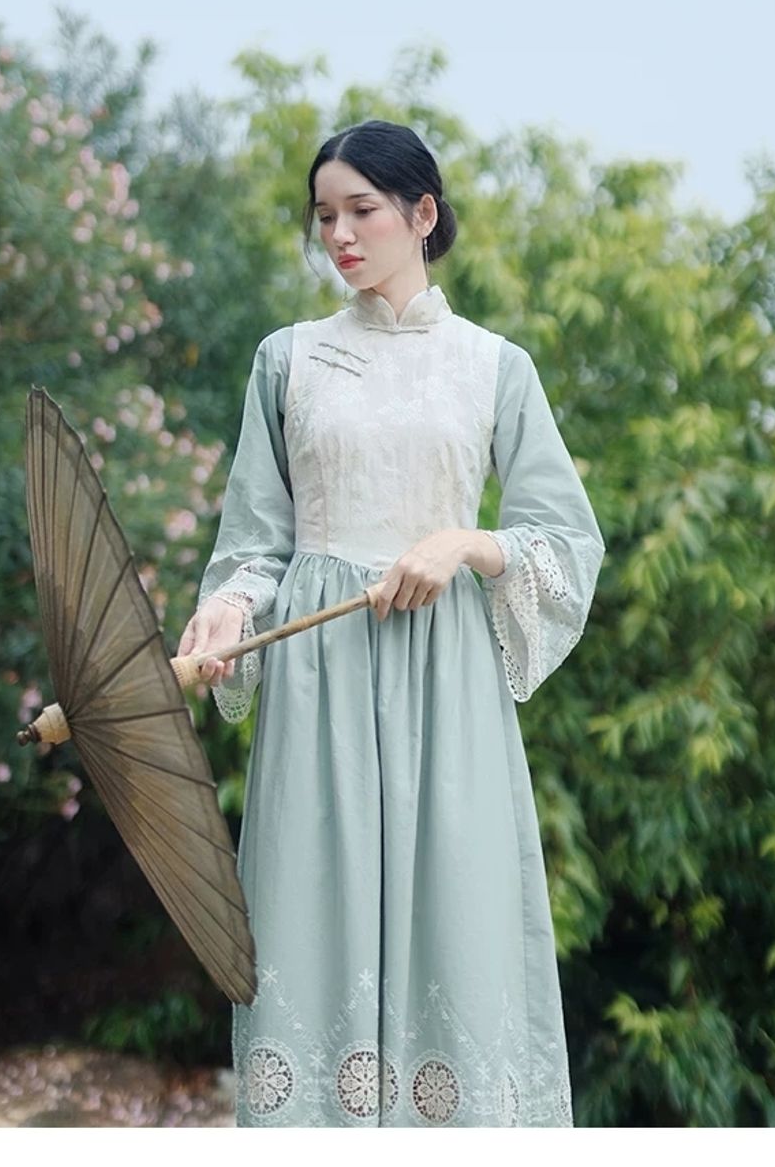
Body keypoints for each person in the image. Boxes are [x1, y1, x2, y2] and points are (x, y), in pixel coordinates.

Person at [176, 119, 605, 1127]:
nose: (338, 234)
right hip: (316, 679)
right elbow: (255, 541)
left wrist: (466, 543)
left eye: (360, 210)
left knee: (456, 916)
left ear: (422, 214)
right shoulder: (287, 360)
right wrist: (225, 609)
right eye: (324, 215)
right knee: (306, 913)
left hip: (444, 679)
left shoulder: (494, 366)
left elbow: (563, 540)